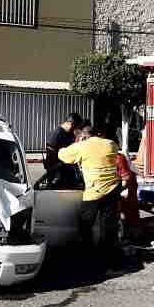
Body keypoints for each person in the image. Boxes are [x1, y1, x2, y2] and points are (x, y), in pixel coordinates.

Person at [58, 124, 122, 266]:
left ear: (84, 136)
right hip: (112, 188)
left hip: (94, 191)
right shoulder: (111, 144)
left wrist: (78, 143)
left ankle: (87, 253)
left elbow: (62, 155)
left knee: (85, 224)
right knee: (108, 225)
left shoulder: (82, 146)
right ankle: (108, 256)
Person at [44, 112, 82, 187]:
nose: (76, 129)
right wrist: (56, 168)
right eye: (76, 127)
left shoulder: (69, 133)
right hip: (57, 171)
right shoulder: (57, 134)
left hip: (67, 168)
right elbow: (50, 155)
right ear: (72, 124)